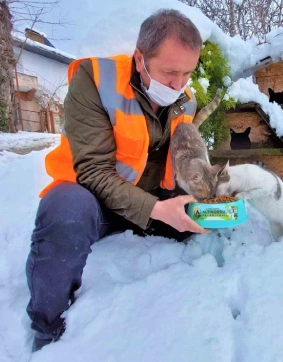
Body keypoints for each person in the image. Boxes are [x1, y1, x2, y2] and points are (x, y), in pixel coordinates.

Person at [26, 9, 209, 352]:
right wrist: (156, 209)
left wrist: (195, 195)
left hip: (149, 202)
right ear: (140, 58)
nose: (178, 85)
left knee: (203, 216)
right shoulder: (95, 80)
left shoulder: (184, 98)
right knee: (64, 211)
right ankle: (46, 329)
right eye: (170, 72)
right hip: (93, 203)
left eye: (187, 74)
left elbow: (176, 157)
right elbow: (93, 172)